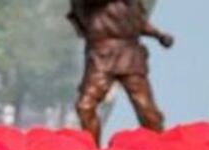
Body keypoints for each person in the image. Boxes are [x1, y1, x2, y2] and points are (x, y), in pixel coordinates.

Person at [68, 0, 173, 142]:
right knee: (85, 106)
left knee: (145, 106)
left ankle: (160, 145)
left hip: (129, 55)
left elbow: (136, 21)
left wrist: (159, 35)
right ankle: (92, 149)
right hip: (100, 56)